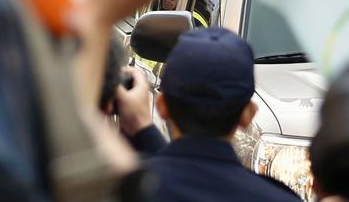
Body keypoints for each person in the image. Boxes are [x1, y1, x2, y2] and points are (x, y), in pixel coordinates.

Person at [115, 27, 302, 202]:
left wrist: (142, 129)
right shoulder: (278, 198)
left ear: (162, 107)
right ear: (248, 115)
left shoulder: (122, 190)